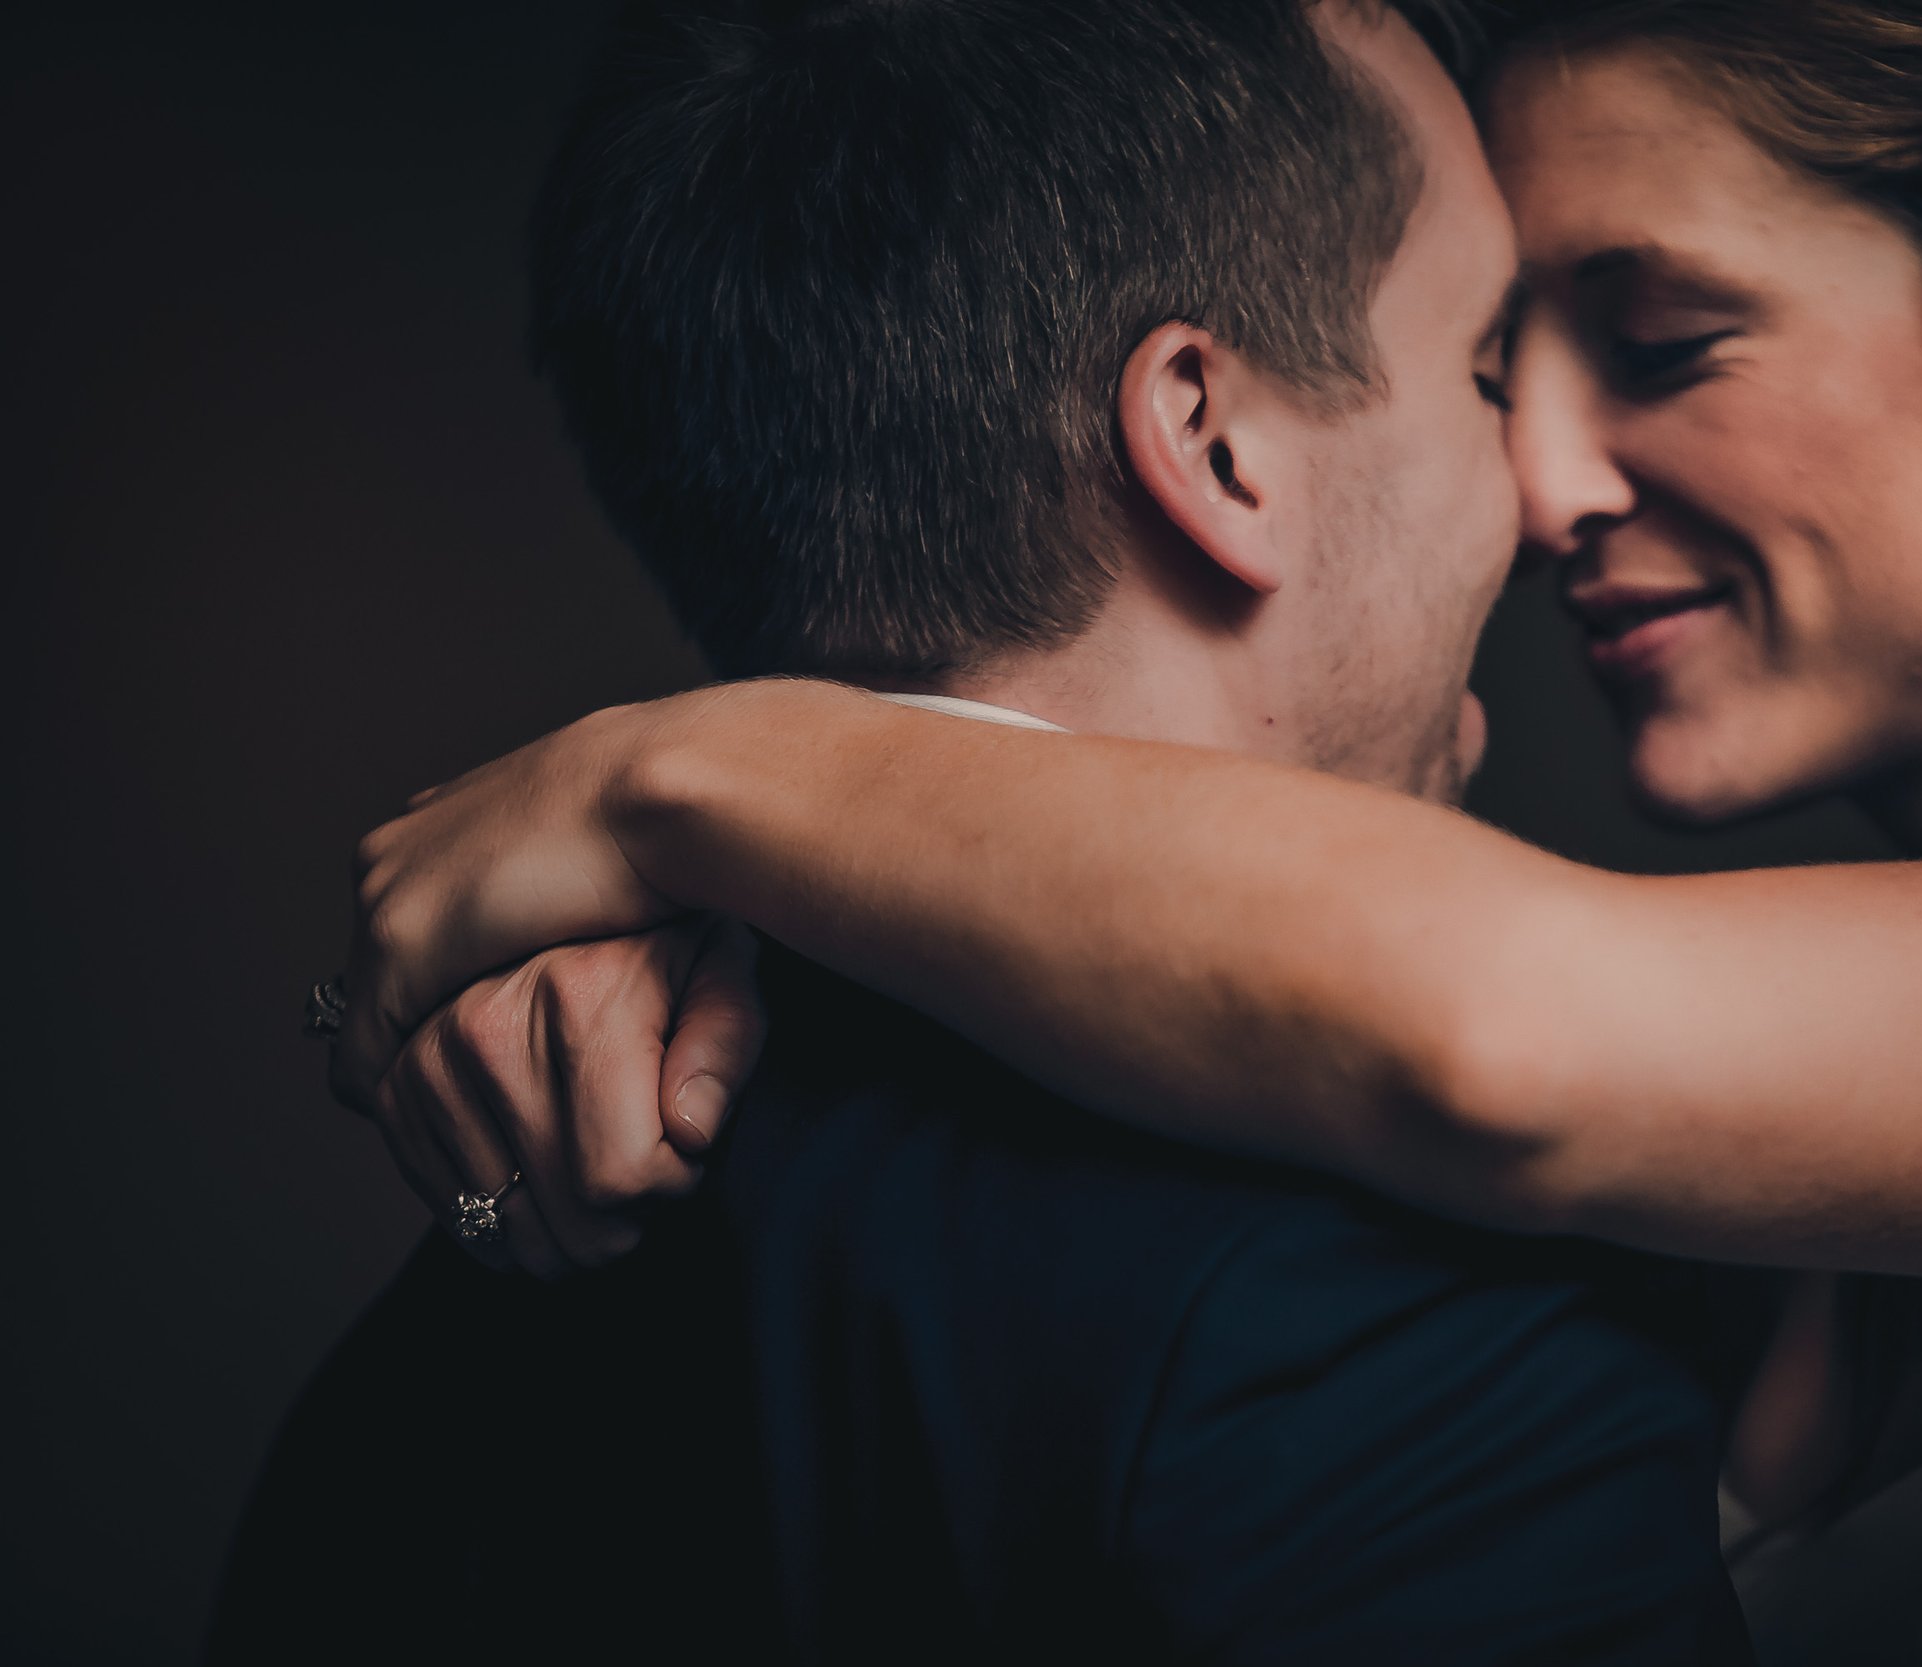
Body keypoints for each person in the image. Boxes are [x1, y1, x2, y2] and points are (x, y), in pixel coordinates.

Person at [323, 0, 1922, 1659]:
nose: (1543, 488)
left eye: (1659, 341)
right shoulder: (1786, 1038)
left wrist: (680, 781)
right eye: (1497, 362)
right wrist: (741, 952)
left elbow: (1501, 1036)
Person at [225, 2, 1758, 1662]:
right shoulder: (1392, 1324)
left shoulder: (413, 1364)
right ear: (1211, 441)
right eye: (1479, 367)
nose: (1543, 494)